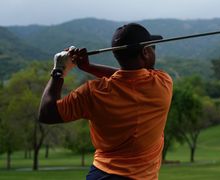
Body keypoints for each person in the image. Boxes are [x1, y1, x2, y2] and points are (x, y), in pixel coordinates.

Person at [38, 23, 173, 180]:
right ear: (145, 52)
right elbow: (129, 77)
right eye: (152, 47)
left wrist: (59, 70)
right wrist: (89, 67)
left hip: (102, 174)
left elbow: (47, 114)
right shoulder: (163, 82)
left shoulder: (92, 92)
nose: (153, 51)